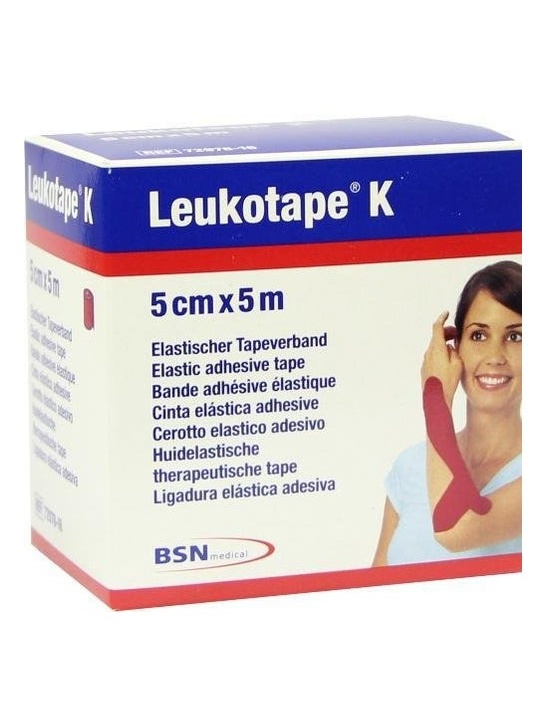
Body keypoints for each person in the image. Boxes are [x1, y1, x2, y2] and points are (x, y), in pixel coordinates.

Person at [372, 260, 522, 566]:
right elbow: (375, 584)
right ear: (455, 346)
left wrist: (435, 394)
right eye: (478, 335)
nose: (494, 357)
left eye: (515, 337)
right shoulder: (411, 465)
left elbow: (455, 526)